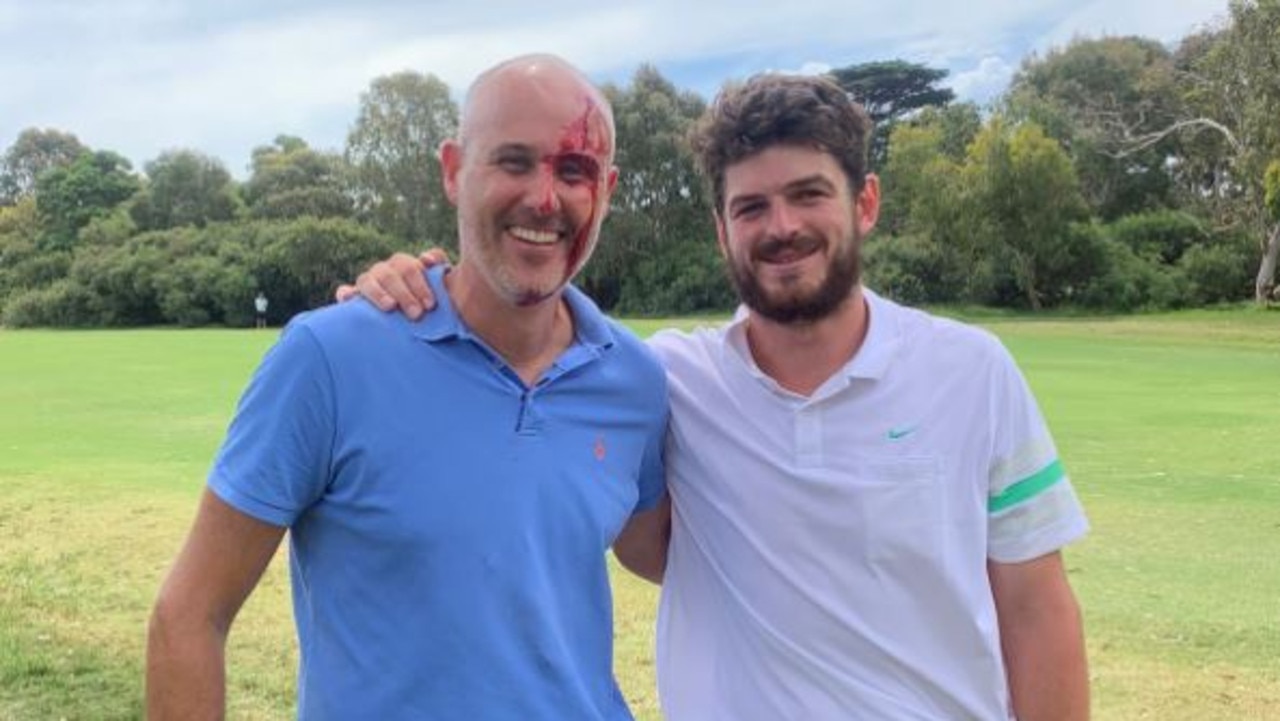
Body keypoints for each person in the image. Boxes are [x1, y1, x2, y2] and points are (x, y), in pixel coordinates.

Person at [343, 73, 1090, 720]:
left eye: (808, 195)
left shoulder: (972, 370)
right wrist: (411, 288)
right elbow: (516, 347)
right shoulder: (665, 380)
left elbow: (1036, 607)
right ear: (720, 228)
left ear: (865, 203)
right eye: (751, 206)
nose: (782, 227)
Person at [147, 54, 670, 720]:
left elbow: (659, 551)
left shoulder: (635, 380)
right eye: (513, 161)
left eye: (575, 170)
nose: (545, 197)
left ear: (609, 189)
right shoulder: (329, 357)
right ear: (453, 171)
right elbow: (190, 613)